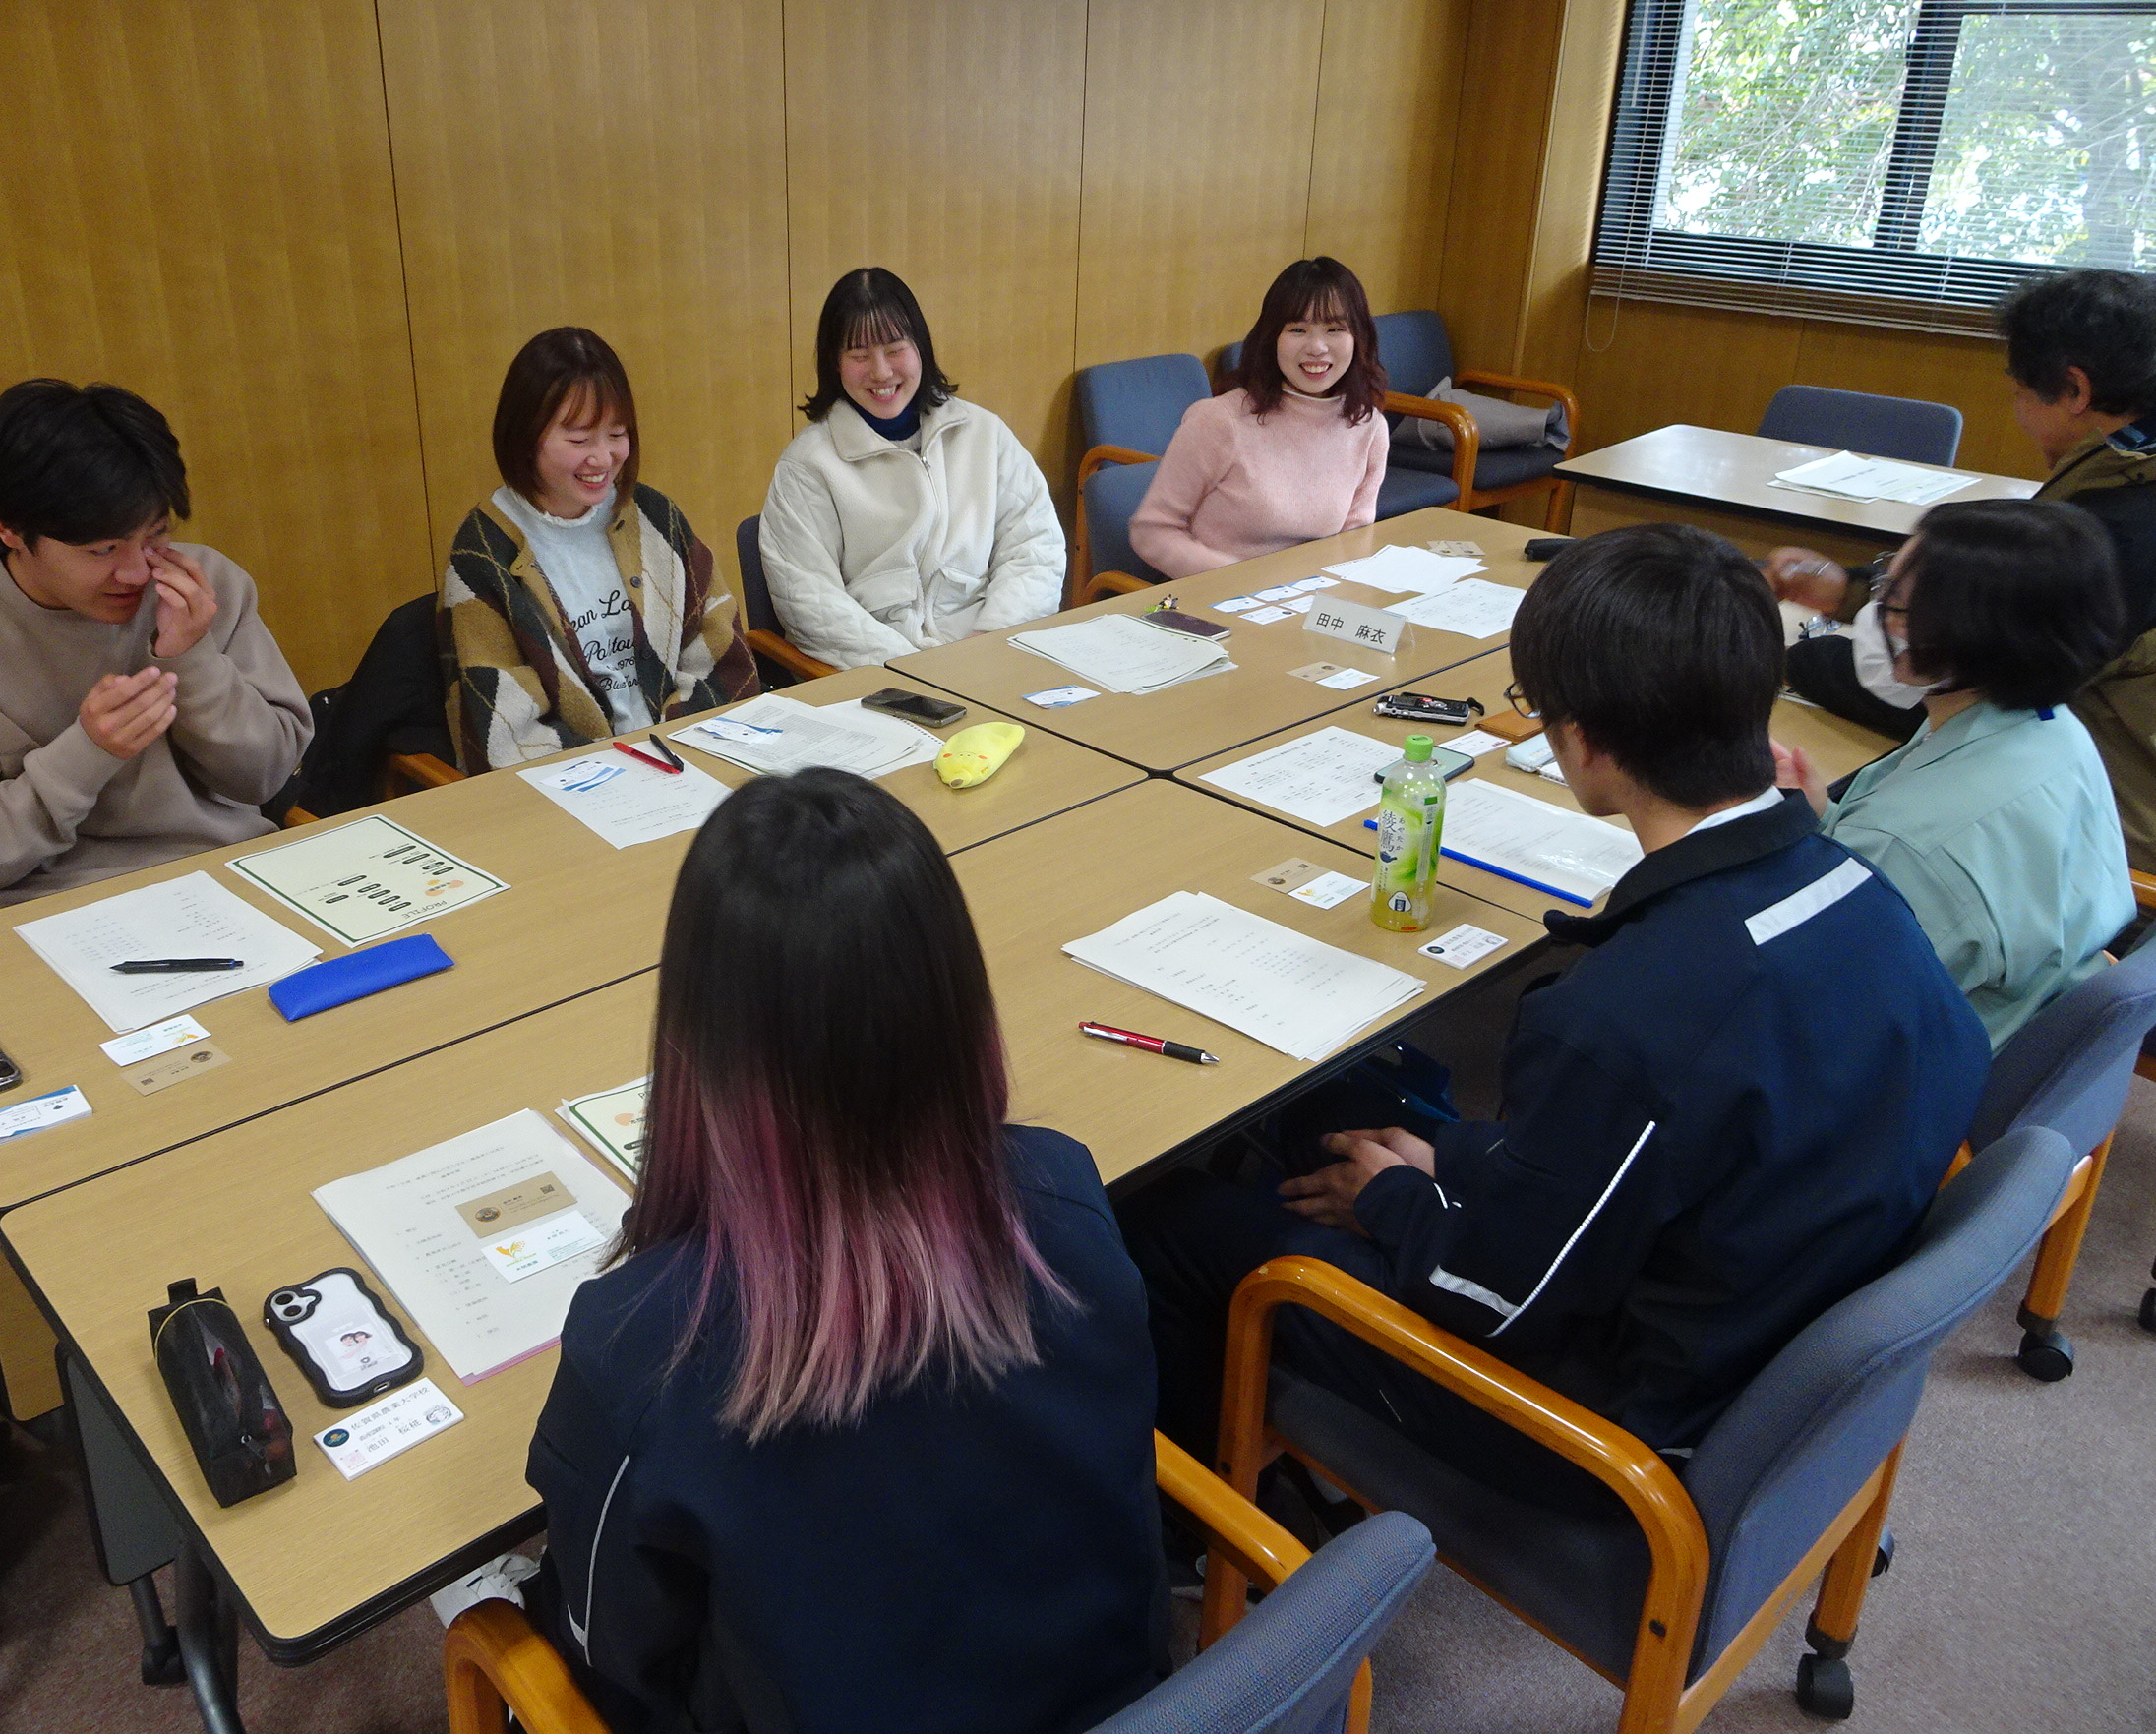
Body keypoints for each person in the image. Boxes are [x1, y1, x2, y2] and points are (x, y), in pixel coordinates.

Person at [1128, 524, 1988, 1510]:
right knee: (1349, 1118)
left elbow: (1500, 1303)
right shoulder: (1862, 892)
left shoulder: (1628, 1013)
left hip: (1609, 1438)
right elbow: (1654, 1145)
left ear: (1583, 743)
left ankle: (1211, 1531)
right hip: (1746, 1318)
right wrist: (1448, 1167)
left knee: (1174, 1220)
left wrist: (1399, 1203)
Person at [523, 769, 1167, 1733]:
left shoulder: (642, 1348)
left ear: (699, 1046)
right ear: (958, 1007)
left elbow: (613, 1650)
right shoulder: (1064, 1196)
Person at [0, 379, 311, 921]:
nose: (136, 571)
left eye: (154, 536)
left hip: (226, 876)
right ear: (9, 530)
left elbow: (267, 778)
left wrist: (192, 660)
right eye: (100, 549)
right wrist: (88, 753)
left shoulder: (202, 588)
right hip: (42, 914)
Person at [1766, 270, 2156, 863]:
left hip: (2097, 823)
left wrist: (1811, 659)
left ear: (2075, 391)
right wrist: (1848, 589)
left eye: (2021, 392)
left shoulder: (2118, 526)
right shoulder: (2123, 480)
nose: (2018, 411)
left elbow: (1971, 681)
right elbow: (1997, 592)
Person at [1773, 501, 2133, 1051]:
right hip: (2012, 1013)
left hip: (1905, 1074)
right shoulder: (2046, 727)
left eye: (1895, 605)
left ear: (1969, 629)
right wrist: (1826, 820)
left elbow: (1807, 1010)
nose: (1877, 617)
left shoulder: (1907, 845)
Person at [441, 328, 756, 772]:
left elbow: (717, 642)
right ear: (525, 437)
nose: (604, 458)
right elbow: (501, 729)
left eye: (617, 433)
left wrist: (681, 745)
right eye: (579, 440)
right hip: (579, 782)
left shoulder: (650, 514)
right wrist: (618, 771)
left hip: (682, 756)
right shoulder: (484, 552)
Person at [758, 269, 1065, 668]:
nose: (882, 372)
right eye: (859, 355)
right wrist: (914, 672)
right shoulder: (806, 466)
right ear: (835, 363)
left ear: (920, 347)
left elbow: (1035, 547)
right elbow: (810, 602)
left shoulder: (984, 434)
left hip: (990, 653)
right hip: (877, 672)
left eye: (895, 348)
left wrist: (989, 641)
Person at [1127, 257, 1390, 576]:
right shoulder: (1219, 420)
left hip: (1306, 603)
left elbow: (1352, 544)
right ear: (1272, 338)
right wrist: (1240, 581)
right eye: (1298, 329)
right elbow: (1151, 532)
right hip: (1218, 596)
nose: (1317, 347)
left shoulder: (1368, 426)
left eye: (1335, 329)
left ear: (1359, 337)